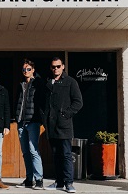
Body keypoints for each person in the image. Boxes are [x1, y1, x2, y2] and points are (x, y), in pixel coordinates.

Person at [41, 57, 83, 193]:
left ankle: (69, 183)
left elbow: (78, 102)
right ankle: (59, 182)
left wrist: (65, 114)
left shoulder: (70, 82)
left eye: (58, 66)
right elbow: (43, 103)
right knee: (56, 155)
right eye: (53, 67)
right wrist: (44, 119)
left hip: (64, 125)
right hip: (51, 125)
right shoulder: (48, 82)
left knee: (66, 154)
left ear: (63, 66)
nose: (56, 69)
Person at [15, 59, 45, 190]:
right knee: (25, 152)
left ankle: (39, 180)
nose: (25, 72)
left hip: (33, 121)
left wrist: (40, 118)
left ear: (33, 70)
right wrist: (16, 117)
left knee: (33, 150)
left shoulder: (38, 83)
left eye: (28, 69)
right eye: (23, 70)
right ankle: (29, 179)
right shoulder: (21, 84)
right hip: (21, 121)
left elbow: (41, 101)